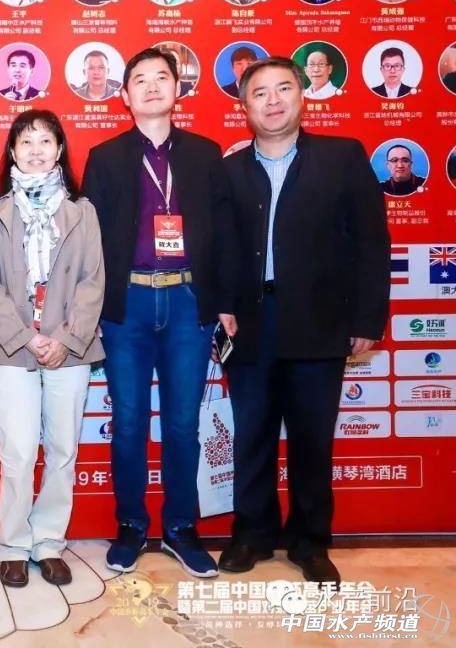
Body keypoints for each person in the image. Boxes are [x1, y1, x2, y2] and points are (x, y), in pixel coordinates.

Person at [218, 57, 390, 587]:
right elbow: (218, 248)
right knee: (252, 435)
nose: (272, 101)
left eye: (283, 89)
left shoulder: (342, 157)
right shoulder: (229, 169)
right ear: (244, 107)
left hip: (320, 320)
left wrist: (367, 317)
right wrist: (220, 305)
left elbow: (371, 242)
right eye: (260, 93)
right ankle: (252, 534)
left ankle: (310, 542)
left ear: (301, 95)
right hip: (250, 323)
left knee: (312, 439)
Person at [82, 47, 237, 579]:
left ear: (177, 89)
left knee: (182, 422)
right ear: (125, 96)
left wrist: (224, 302)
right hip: (127, 303)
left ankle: (180, 527)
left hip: (189, 301)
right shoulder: (105, 157)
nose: (151, 86)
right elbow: (90, 240)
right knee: (127, 421)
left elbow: (223, 235)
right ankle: (131, 524)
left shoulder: (205, 154)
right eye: (140, 80)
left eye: (161, 78)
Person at [0, 109, 105, 588]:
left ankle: (49, 542)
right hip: (13, 347)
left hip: (70, 347)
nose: (36, 150)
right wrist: (28, 338)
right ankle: (12, 544)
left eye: (45, 141)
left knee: (63, 449)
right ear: (12, 151)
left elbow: (93, 281)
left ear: (59, 150)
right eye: (26, 141)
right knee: (17, 449)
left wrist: (65, 339)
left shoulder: (83, 212)